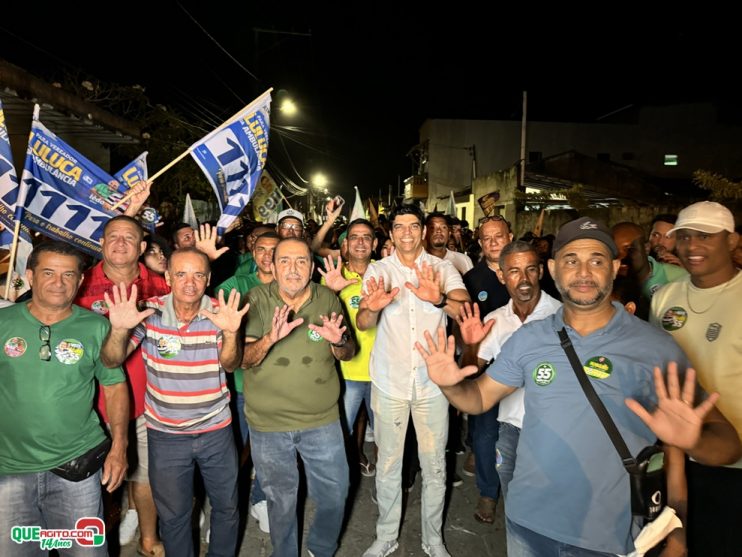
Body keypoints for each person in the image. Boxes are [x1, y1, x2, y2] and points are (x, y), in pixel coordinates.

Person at [416, 216, 741, 556]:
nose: (584, 272)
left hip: (610, 538)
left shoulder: (655, 348)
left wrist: (694, 446)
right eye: (572, 260)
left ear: (615, 267)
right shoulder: (530, 338)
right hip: (528, 525)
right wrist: (449, 385)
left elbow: (729, 445)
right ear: (555, 268)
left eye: (596, 260)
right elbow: (480, 397)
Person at [102, 247, 248, 557]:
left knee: (227, 507)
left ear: (208, 279)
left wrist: (231, 333)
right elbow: (112, 359)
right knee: (174, 516)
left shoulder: (219, 311)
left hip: (216, 430)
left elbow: (231, 364)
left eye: (198, 275)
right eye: (181, 274)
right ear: (168, 277)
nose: (190, 283)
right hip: (166, 436)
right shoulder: (150, 311)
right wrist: (118, 329)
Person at [0, 241, 129, 557]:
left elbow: (114, 387)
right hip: (9, 469)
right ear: (30, 276)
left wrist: (119, 448)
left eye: (68, 274)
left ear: (80, 280)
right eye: (48, 273)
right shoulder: (3, 323)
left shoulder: (97, 327)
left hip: (76, 470)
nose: (58, 283)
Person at [358, 204, 470, 557]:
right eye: (399, 227)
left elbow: (463, 309)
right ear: (390, 233)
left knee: (435, 465)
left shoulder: (442, 268)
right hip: (390, 382)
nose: (406, 232)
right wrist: (372, 307)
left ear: (423, 231)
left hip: (431, 384)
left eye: (413, 226)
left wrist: (438, 298)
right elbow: (363, 322)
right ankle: (386, 535)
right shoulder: (378, 270)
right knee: (388, 464)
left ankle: (432, 539)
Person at [242, 237, 355, 557]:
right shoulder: (256, 299)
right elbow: (244, 359)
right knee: (281, 500)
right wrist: (269, 339)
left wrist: (339, 341)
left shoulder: (328, 300)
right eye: (285, 261)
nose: (293, 269)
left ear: (312, 267)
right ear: (273, 267)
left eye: (301, 261)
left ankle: (321, 547)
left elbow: (348, 353)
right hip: (268, 423)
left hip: (322, 419)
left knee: (336, 492)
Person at [650, 201, 742, 556]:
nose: (691, 246)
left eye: (704, 236)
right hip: (674, 457)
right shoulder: (666, 298)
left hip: (733, 464)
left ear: (732, 241)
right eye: (684, 237)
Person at [75, 215, 169, 555]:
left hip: (149, 403)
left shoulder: (161, 285)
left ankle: (149, 538)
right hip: (88, 406)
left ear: (142, 247)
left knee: (146, 476)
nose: (119, 242)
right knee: (91, 485)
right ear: (100, 243)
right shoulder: (77, 284)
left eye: (129, 237)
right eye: (112, 236)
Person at [458, 241, 561, 519]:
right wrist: (470, 345)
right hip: (510, 427)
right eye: (514, 271)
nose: (523, 279)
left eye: (530, 269)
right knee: (513, 498)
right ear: (502, 276)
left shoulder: (562, 316)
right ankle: (491, 497)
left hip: (550, 428)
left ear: (541, 271)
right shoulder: (496, 320)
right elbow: (471, 370)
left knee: (547, 504)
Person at [215, 230, 280, 534]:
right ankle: (224, 513)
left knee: (268, 454)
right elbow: (207, 297)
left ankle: (261, 500)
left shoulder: (293, 286)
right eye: (261, 249)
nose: (267, 256)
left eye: (274, 250)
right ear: (253, 254)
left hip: (279, 389)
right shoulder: (239, 284)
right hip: (242, 386)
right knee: (234, 455)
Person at [319, 218, 379, 477]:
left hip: (383, 372)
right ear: (345, 244)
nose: (361, 242)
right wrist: (332, 292)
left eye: (366, 237)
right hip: (348, 372)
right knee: (343, 430)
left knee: (386, 437)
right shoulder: (334, 275)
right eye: (355, 237)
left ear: (375, 244)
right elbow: (323, 320)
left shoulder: (386, 271)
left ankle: (385, 487)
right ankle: (340, 482)